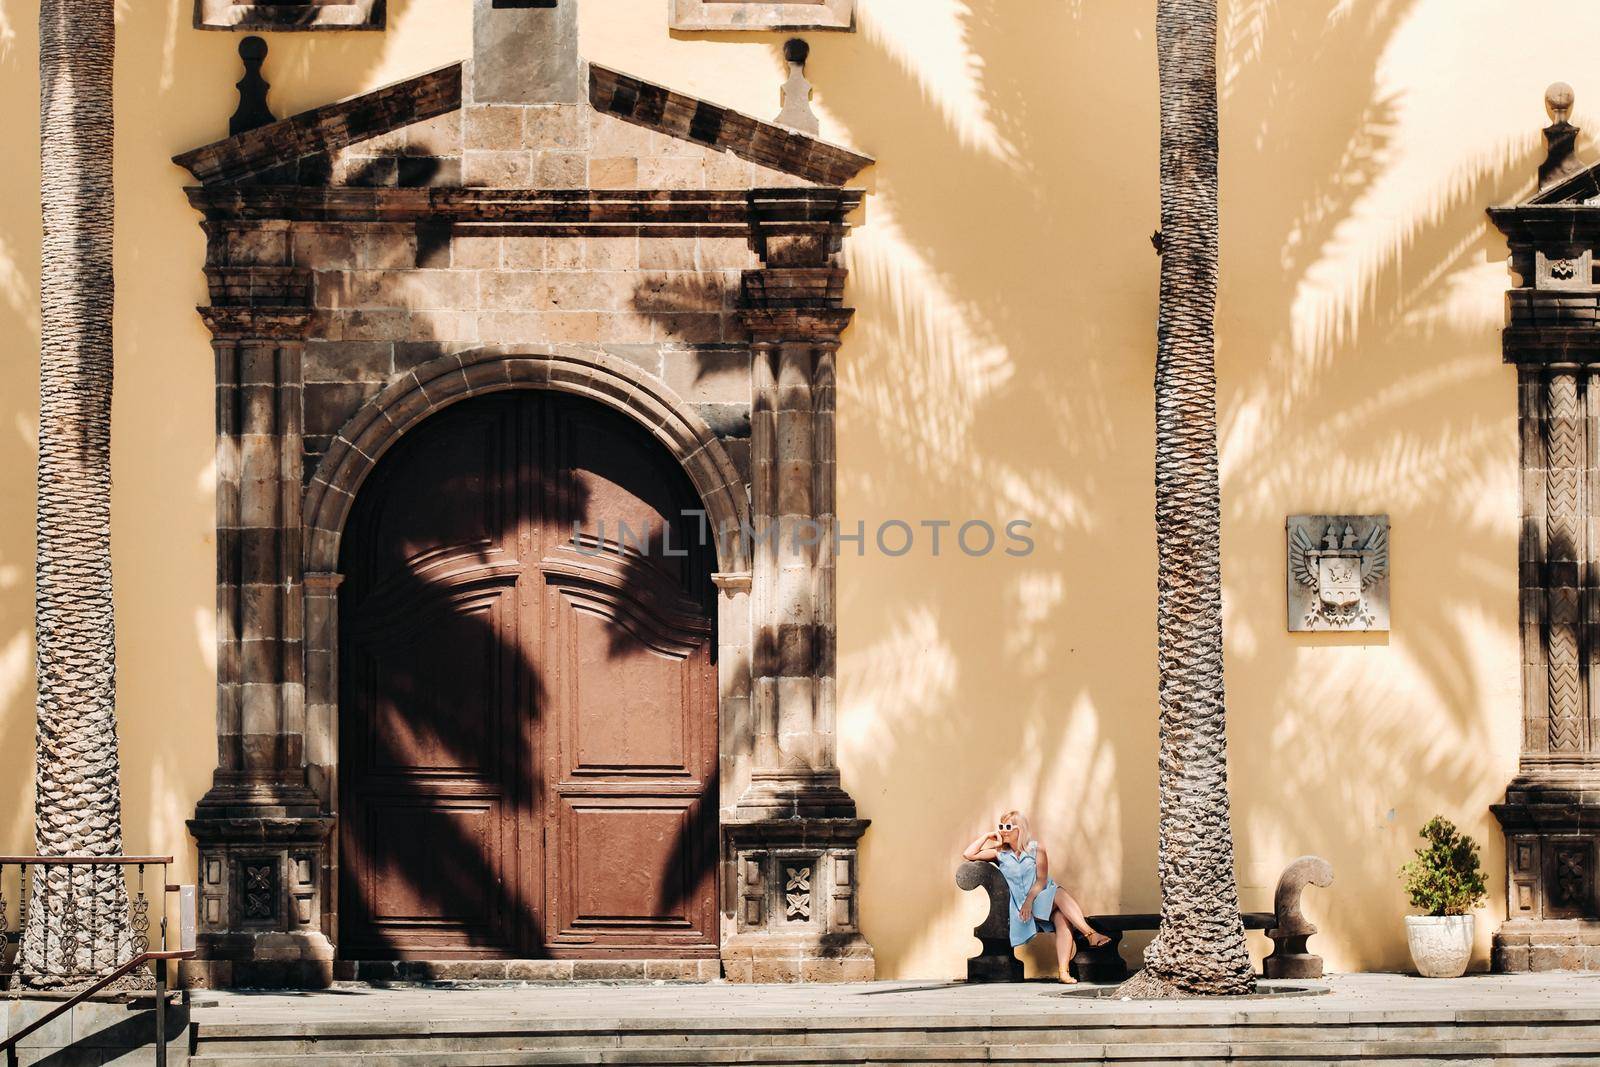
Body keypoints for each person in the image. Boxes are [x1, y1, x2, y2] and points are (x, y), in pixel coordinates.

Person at [962, 809, 1110, 983]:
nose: (1003, 830)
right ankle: (1090, 934)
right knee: (1059, 894)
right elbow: (968, 854)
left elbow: (1041, 881)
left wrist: (1029, 902)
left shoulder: (1036, 848)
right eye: (1001, 826)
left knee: (1062, 915)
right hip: (1022, 908)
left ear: (1020, 829)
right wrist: (987, 836)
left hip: (1040, 899)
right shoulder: (999, 853)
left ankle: (1064, 972)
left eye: (1008, 826)